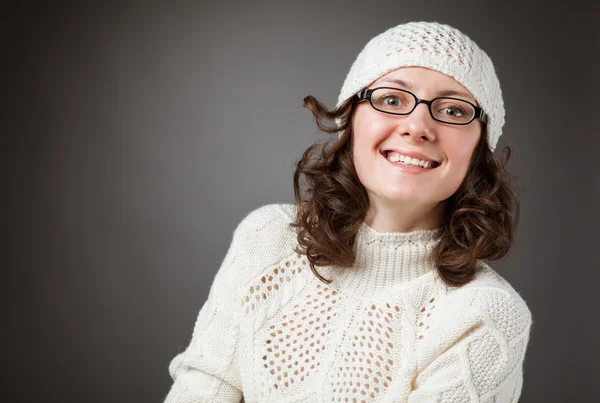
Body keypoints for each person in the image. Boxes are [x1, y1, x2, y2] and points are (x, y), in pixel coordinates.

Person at [163, 21, 533, 402]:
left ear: (479, 148)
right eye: (391, 99)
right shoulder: (267, 238)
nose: (417, 126)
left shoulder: (485, 316)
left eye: (454, 110)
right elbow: (202, 387)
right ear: (351, 119)